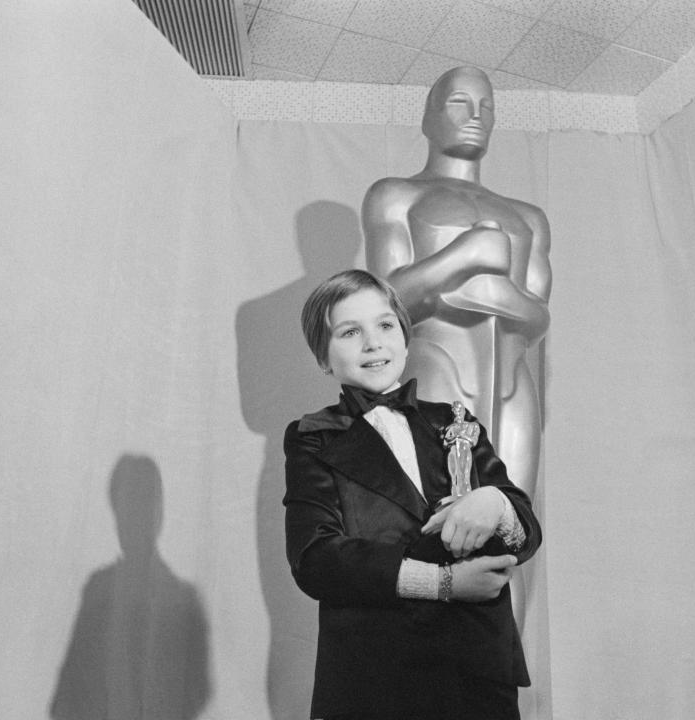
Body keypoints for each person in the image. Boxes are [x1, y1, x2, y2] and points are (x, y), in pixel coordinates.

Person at [283, 269, 541, 720]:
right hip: (378, 679)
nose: (373, 343)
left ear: (404, 335)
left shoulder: (456, 421)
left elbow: (526, 532)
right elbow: (317, 560)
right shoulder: (313, 438)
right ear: (323, 358)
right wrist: (444, 585)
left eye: (385, 325)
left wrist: (495, 503)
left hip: (478, 673)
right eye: (350, 332)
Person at [361, 66, 552, 500]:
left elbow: (538, 318)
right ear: (428, 119)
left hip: (512, 386)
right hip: (435, 370)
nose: (475, 115)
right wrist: (462, 256)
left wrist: (494, 297)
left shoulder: (529, 217)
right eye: (459, 102)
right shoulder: (396, 196)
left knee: (514, 527)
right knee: (440, 524)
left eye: (486, 106)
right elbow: (385, 308)